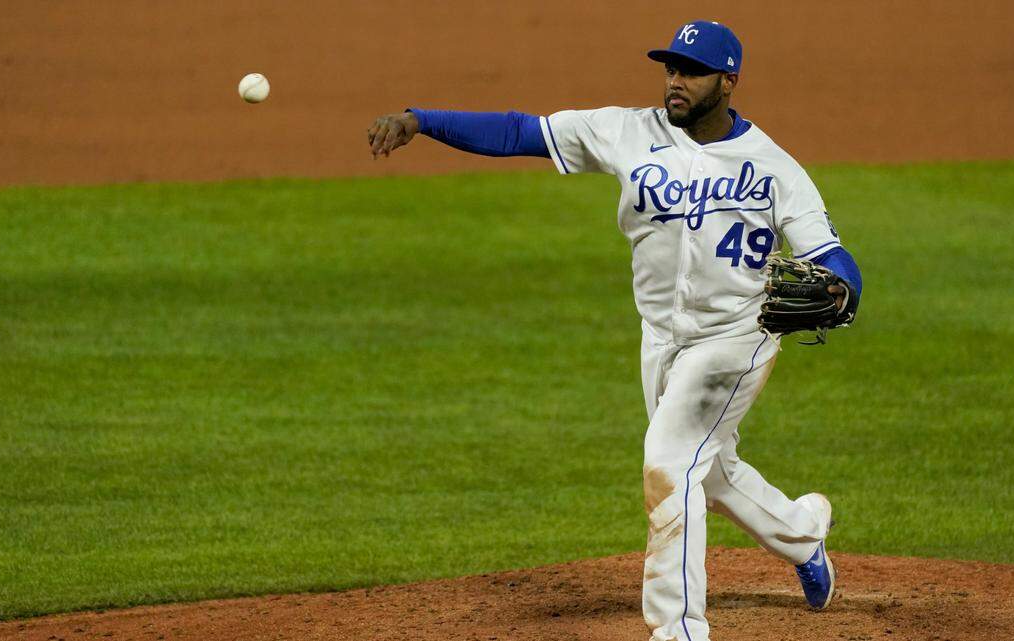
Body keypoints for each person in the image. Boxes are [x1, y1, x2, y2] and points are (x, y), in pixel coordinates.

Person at [367, 20, 862, 641]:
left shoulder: (773, 167)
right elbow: (523, 131)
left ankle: (679, 628)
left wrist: (842, 287)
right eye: (670, 68)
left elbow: (831, 255)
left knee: (669, 461)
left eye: (692, 71)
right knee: (706, 471)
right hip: (661, 340)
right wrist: (422, 120)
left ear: (728, 81)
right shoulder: (628, 131)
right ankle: (803, 535)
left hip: (736, 339)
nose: (675, 81)